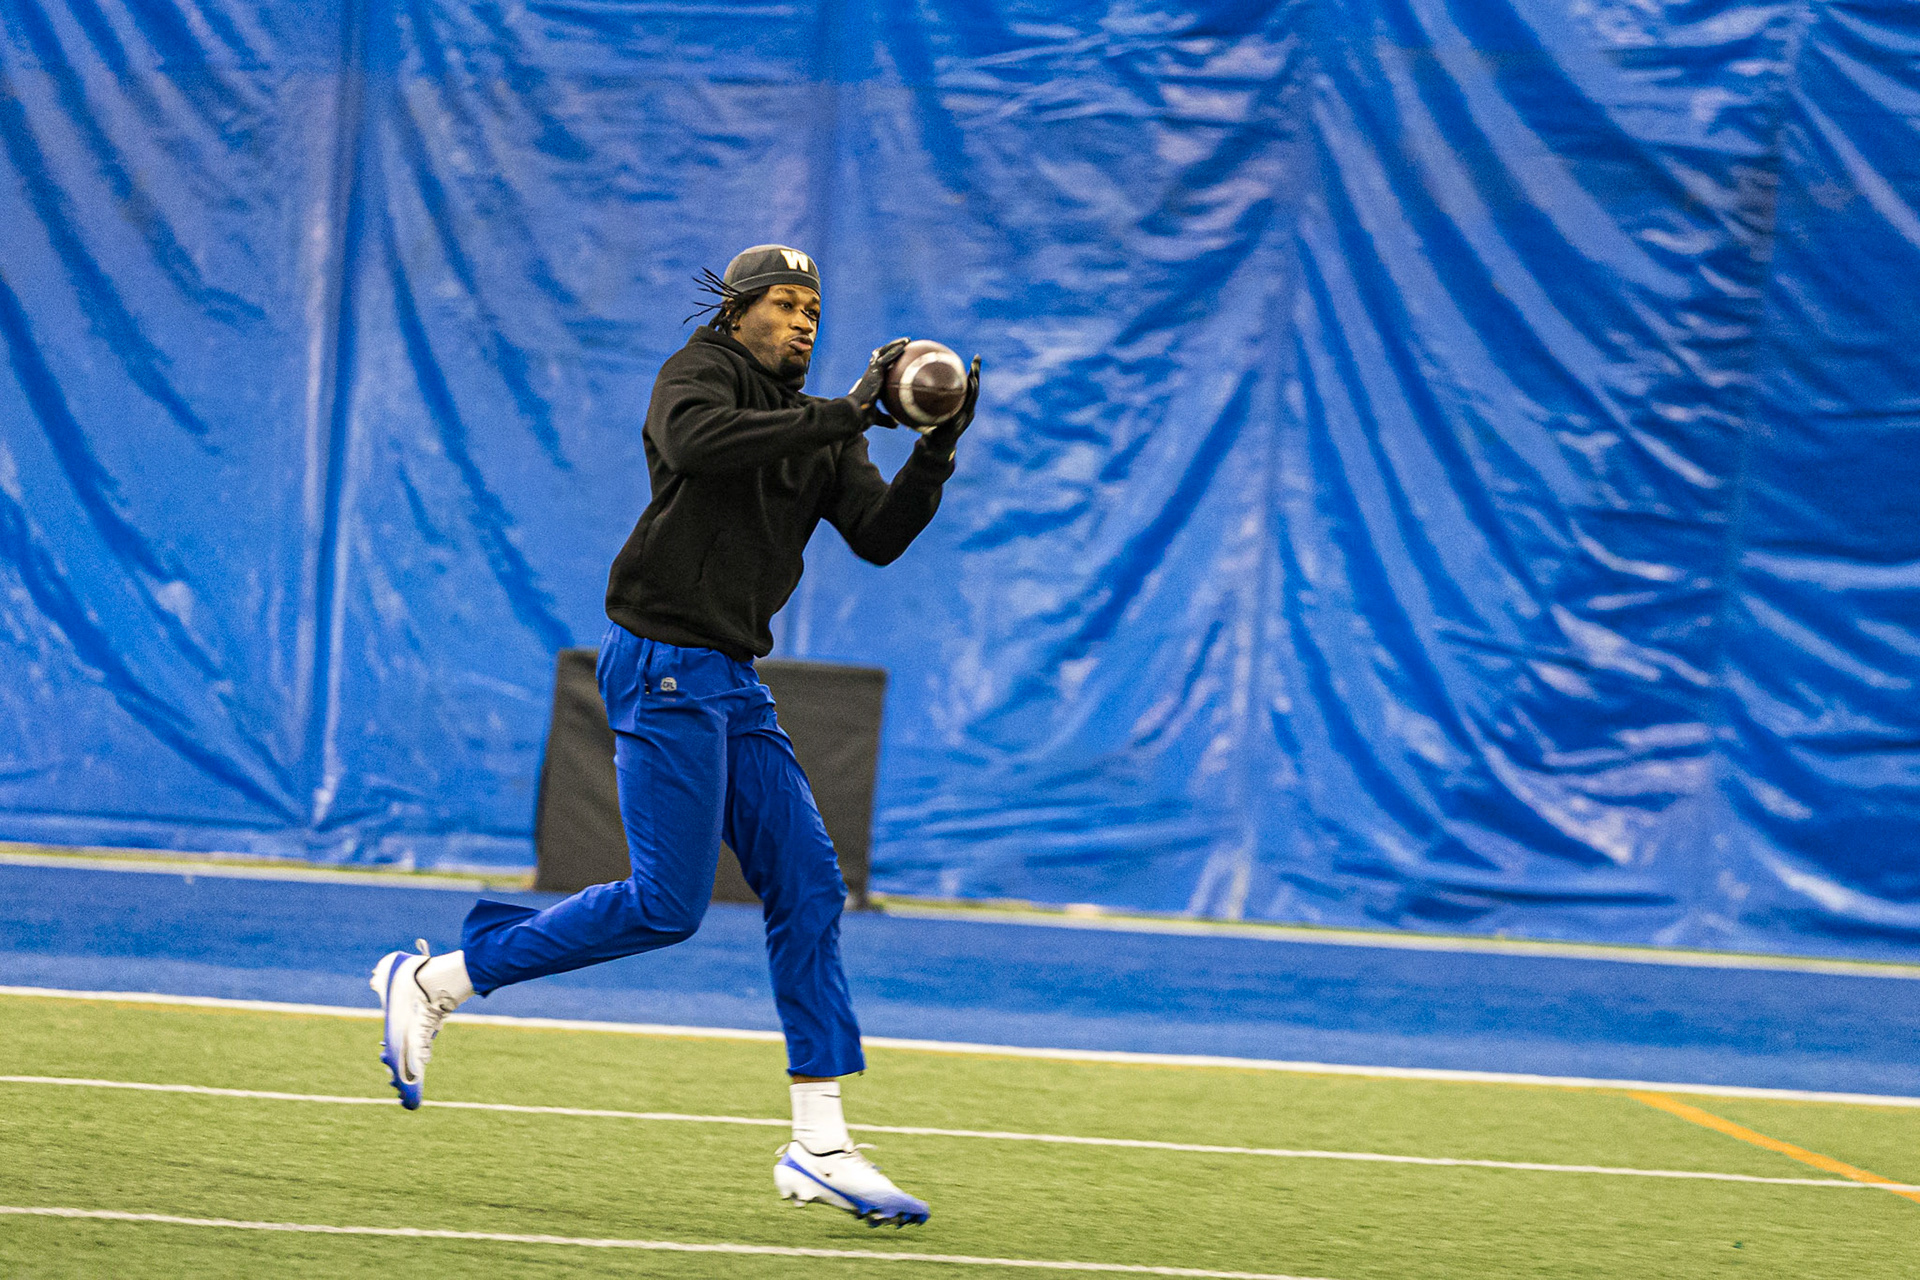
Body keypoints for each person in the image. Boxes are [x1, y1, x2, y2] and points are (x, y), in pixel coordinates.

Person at [369, 244, 978, 1228]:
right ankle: (437, 980)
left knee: (810, 885)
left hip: (731, 678)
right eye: (786, 302)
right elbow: (700, 446)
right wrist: (850, 411)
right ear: (738, 311)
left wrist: (935, 452)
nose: (805, 320)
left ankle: (821, 1142)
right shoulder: (699, 373)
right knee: (666, 905)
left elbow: (877, 534)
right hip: (661, 661)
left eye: (814, 307)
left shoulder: (823, 426)